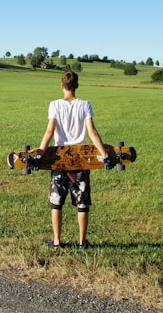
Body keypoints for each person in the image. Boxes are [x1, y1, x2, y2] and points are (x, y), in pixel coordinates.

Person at [37, 70, 112, 250]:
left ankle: (57, 241)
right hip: (80, 161)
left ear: (62, 85)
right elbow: (92, 133)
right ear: (77, 86)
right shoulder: (85, 105)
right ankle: (82, 242)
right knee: (82, 203)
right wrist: (105, 155)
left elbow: (49, 132)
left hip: (60, 160)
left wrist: (39, 154)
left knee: (57, 202)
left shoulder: (54, 105)